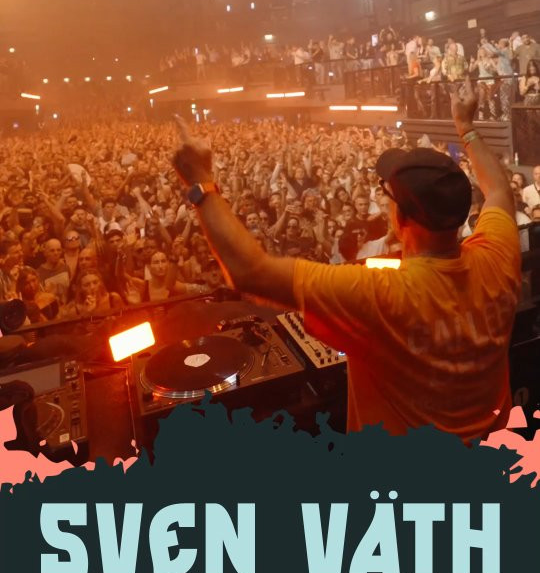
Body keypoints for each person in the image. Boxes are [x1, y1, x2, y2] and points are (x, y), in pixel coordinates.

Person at [172, 78, 520, 442]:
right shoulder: (498, 255)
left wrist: (200, 183)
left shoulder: (379, 294)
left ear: (400, 217)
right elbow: (499, 189)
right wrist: (467, 127)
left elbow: (250, 272)